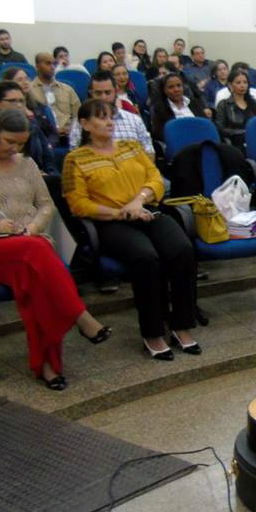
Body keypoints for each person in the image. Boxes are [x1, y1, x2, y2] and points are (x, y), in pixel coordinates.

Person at [0, 109, 112, 389]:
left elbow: (46, 205)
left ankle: (47, 366)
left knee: (33, 281)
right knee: (38, 251)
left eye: (20, 143)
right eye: (8, 141)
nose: (14, 149)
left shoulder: (27, 164)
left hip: (29, 245)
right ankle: (81, 317)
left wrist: (33, 227)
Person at [63, 99, 200, 361]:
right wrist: (120, 212)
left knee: (182, 250)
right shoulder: (75, 159)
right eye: (101, 117)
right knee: (146, 258)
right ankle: (153, 332)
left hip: (147, 211)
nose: (109, 121)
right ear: (84, 124)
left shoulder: (132, 146)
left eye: (111, 116)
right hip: (111, 223)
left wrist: (138, 202)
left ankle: (181, 325)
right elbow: (78, 204)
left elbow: (155, 179)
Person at [69, 71, 154, 156]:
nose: (103, 98)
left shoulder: (134, 120)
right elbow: (76, 156)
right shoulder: (82, 123)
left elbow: (149, 152)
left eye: (108, 92)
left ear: (115, 91)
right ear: (91, 93)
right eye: (98, 93)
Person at [0, 81, 57, 175]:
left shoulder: (32, 127)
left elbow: (48, 159)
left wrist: (50, 175)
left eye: (21, 101)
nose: (18, 105)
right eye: (12, 101)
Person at [29, 52, 80, 140]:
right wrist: (53, 130)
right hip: (43, 136)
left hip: (68, 136)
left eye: (54, 64)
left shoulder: (67, 89)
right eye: (48, 63)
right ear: (37, 66)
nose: (52, 67)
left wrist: (72, 129)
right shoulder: (29, 91)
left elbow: (79, 114)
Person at [2, 67, 56, 143]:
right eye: (20, 80)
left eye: (27, 79)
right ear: (9, 84)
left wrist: (49, 145)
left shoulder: (39, 106)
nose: (25, 82)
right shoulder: (5, 107)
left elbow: (52, 133)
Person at [149, 72, 208, 141]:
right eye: (171, 87)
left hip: (202, 140)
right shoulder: (159, 110)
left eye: (179, 85)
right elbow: (160, 135)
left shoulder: (193, 103)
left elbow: (206, 124)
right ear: (164, 90)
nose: (176, 89)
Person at [215, 67, 256, 150]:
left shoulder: (253, 103)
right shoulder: (224, 104)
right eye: (238, 82)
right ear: (230, 85)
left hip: (254, 140)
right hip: (234, 144)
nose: (242, 85)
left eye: (245, 82)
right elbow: (220, 129)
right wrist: (241, 132)